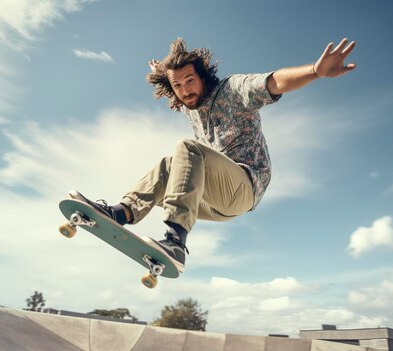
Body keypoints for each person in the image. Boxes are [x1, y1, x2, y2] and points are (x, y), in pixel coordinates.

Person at [70, 37, 356, 272]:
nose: (185, 91)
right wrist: (163, 70)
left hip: (243, 188)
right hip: (212, 202)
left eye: (190, 81)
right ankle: (121, 213)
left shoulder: (233, 90)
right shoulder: (187, 104)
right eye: (178, 86)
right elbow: (172, 78)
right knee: (170, 165)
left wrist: (316, 71)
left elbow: (274, 83)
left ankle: (175, 242)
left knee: (188, 148)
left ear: (203, 77)